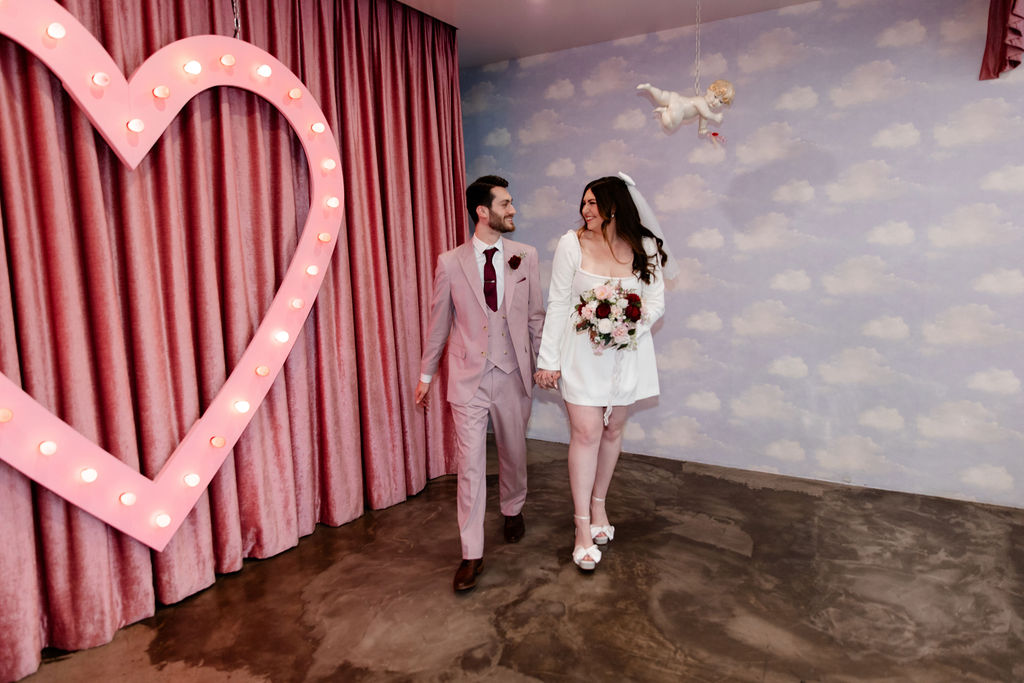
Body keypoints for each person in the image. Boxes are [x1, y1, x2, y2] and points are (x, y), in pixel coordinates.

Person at [534, 173, 670, 572]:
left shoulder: (645, 246)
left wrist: (629, 326)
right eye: (583, 203)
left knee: (613, 430)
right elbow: (558, 302)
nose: (585, 210)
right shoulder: (571, 244)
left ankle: (599, 507)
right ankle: (580, 528)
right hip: (582, 353)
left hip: (627, 355)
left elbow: (655, 301)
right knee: (587, 432)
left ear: (614, 206)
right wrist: (548, 361)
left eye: (593, 203)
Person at [417, 175, 545, 592]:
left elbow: (535, 318)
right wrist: (425, 373)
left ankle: (513, 507)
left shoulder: (526, 256)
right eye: (506, 204)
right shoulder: (450, 262)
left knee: (513, 450)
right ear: (483, 211)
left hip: (514, 374)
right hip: (468, 377)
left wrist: (545, 364)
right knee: (469, 467)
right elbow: (439, 323)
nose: (513, 210)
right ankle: (471, 553)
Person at [636, 79, 734, 136]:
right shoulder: (701, 101)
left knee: (661, 96)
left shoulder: (704, 105)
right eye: (715, 96)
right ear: (709, 90)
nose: (715, 102)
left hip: (676, 98)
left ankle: (650, 88)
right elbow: (706, 114)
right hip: (680, 108)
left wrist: (702, 128)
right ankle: (664, 112)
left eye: (721, 102)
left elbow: (704, 117)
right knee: (670, 126)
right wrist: (715, 117)